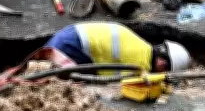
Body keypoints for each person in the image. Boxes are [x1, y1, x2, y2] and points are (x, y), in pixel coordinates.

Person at [41, 22, 192, 74]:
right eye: (165, 70)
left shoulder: (140, 46)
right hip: (69, 48)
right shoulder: (140, 65)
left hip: (65, 37)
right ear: (164, 62)